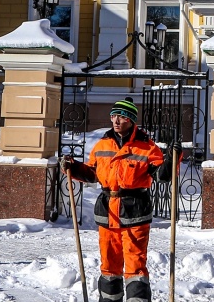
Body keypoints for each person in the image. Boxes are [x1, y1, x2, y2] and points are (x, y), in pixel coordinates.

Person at [62, 97, 175, 302]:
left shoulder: (147, 147)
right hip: (108, 211)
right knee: (109, 264)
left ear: (131, 121)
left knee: (135, 264)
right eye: (114, 116)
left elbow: (162, 176)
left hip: (135, 212)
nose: (116, 120)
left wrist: (172, 160)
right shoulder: (102, 144)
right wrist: (73, 167)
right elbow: (92, 173)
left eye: (122, 117)